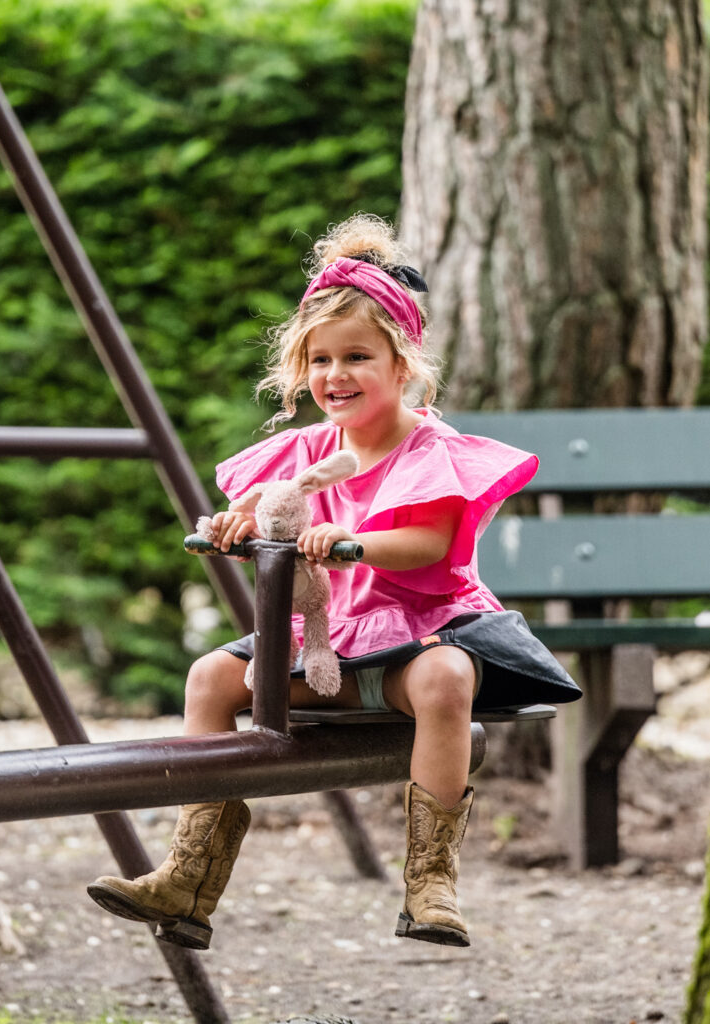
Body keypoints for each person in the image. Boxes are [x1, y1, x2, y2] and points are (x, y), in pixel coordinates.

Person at [88, 212, 581, 951]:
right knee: (209, 679)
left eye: (355, 357)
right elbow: (265, 509)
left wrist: (354, 543)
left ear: (402, 367)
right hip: (324, 654)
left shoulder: (428, 449)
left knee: (448, 677)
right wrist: (234, 526)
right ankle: (190, 877)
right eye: (319, 361)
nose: (334, 376)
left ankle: (431, 884)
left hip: (415, 644)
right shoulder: (306, 449)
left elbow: (429, 543)